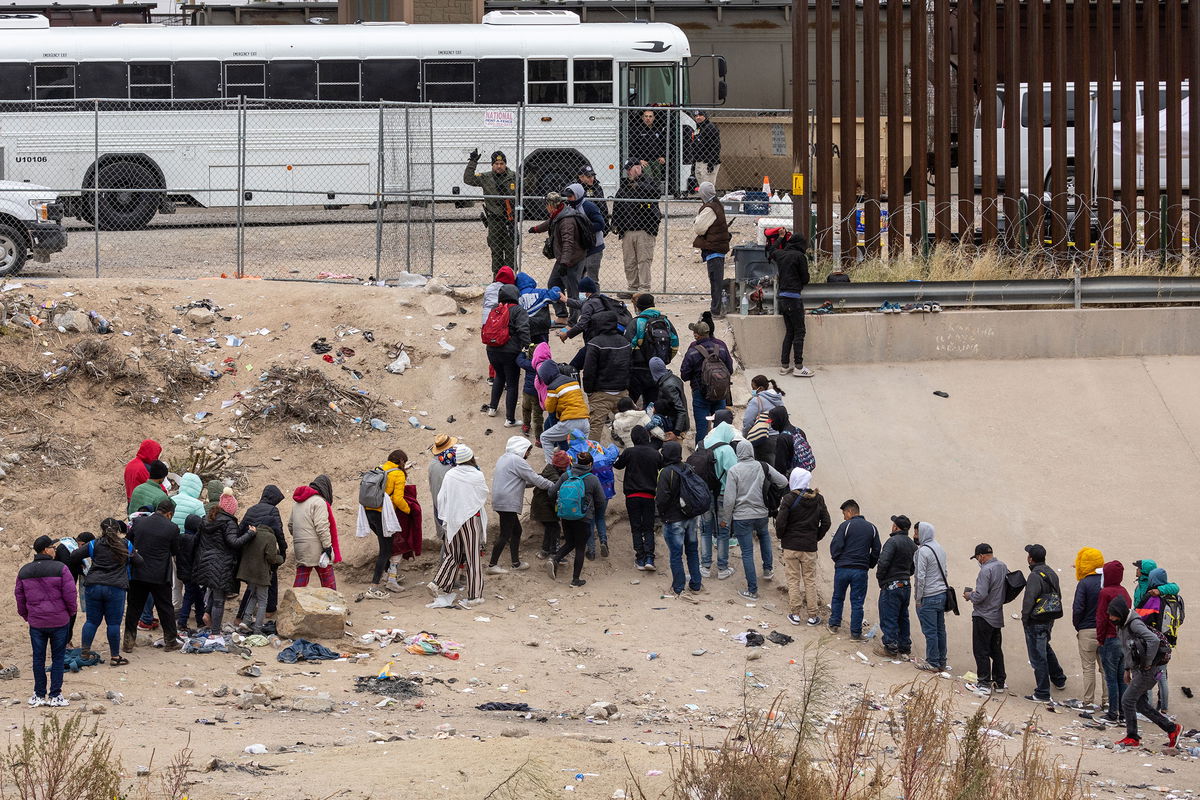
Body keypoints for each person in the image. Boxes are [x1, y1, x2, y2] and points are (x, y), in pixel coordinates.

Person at [1109, 595, 1182, 749]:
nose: (1111, 618)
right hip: (1137, 669)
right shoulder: (1121, 625)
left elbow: (1153, 640)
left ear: (1121, 613)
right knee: (1140, 704)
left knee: (1127, 700)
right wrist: (1127, 670)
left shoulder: (1134, 624)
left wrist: (1147, 663)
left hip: (1147, 670)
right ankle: (1172, 729)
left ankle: (1132, 736)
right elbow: (1127, 649)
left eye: (1113, 614)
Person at [718, 440, 787, 600]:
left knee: (747, 552)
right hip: (762, 514)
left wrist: (725, 520)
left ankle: (752, 590)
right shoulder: (762, 466)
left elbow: (729, 500)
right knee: (764, 537)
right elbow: (783, 481)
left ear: (738, 453)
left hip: (742, 517)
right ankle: (768, 570)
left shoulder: (734, 471)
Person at [15, 535, 78, 707]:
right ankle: (56, 695)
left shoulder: (24, 571)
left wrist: (27, 616)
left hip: (36, 623)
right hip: (59, 621)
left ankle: (38, 694)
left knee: (38, 658)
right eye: (53, 547)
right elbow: (70, 595)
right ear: (45, 550)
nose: (55, 549)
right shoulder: (61, 569)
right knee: (58, 658)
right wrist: (70, 613)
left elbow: (20, 598)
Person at [429, 445, 490, 608]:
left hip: (453, 518)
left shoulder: (450, 474)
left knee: (452, 554)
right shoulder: (477, 474)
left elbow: (442, 497)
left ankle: (438, 583)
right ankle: (475, 595)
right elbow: (483, 494)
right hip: (471, 519)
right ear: (471, 457)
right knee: (473, 557)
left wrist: (446, 517)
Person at [75, 519, 140, 667]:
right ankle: (115, 656)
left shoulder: (93, 544)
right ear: (118, 530)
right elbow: (140, 562)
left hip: (93, 585)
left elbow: (74, 556)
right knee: (113, 623)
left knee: (91, 621)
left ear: (101, 529)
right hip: (116, 587)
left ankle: (85, 652)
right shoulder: (126, 545)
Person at [489, 436, 554, 574]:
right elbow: (535, 479)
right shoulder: (517, 461)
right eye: (527, 451)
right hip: (508, 502)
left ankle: (515, 563)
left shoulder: (505, 458)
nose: (528, 454)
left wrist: (540, 482)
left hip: (501, 501)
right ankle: (492, 565)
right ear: (521, 449)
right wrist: (554, 486)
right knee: (505, 534)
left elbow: (522, 482)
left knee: (516, 531)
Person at [774, 467, 830, 626]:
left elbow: (780, 522)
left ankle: (795, 613)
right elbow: (826, 522)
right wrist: (815, 537)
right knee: (810, 580)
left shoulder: (788, 498)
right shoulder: (818, 499)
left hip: (791, 546)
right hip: (809, 547)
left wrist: (782, 536)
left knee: (793, 579)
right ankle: (812, 615)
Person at [124, 498, 181, 652]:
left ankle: (128, 642)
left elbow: (127, 542)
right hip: (159, 575)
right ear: (169, 514)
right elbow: (175, 551)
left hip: (138, 573)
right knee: (165, 608)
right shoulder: (172, 528)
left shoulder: (139, 522)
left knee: (134, 608)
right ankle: (170, 641)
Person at [547, 451, 607, 588]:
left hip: (566, 516)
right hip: (584, 518)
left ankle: (554, 559)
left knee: (570, 542)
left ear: (576, 462)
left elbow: (551, 492)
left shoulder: (566, 475)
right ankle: (575, 580)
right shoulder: (593, 479)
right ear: (590, 464)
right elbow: (601, 500)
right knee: (580, 547)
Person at [194, 490, 250, 634]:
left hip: (205, 562)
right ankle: (215, 632)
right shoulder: (229, 522)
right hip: (221, 564)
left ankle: (207, 614)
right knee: (219, 599)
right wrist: (250, 534)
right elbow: (234, 542)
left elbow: (197, 541)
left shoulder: (206, 519)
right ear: (231, 509)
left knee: (213, 589)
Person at [655, 441, 704, 602]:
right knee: (692, 551)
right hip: (690, 517)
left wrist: (662, 515)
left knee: (676, 555)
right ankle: (696, 584)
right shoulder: (687, 468)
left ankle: (678, 587)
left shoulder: (666, 472)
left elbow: (662, 498)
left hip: (673, 519)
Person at [828, 500, 881, 640]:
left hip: (843, 569)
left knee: (838, 597)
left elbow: (835, 546)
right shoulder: (872, 528)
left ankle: (834, 625)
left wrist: (838, 560)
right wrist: (869, 564)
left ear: (850, 512)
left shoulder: (845, 526)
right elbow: (876, 550)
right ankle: (856, 633)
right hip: (860, 571)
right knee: (857, 602)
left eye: (844, 513)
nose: (844, 516)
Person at [531, 192, 589, 320]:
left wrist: (564, 263)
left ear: (551, 205)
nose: (546, 207)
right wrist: (535, 229)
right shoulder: (559, 213)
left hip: (573, 259)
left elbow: (569, 244)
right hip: (564, 258)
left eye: (546, 205)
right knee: (554, 283)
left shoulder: (566, 220)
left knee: (572, 290)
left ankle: (574, 321)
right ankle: (562, 316)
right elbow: (550, 222)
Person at [1021, 543, 1067, 703]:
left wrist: (1025, 619)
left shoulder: (1034, 576)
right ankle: (1059, 678)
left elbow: (1029, 600)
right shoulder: (1052, 573)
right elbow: (1058, 596)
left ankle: (1042, 692)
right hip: (1049, 618)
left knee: (1037, 655)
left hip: (1036, 621)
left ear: (1030, 558)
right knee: (1045, 647)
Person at [765, 227, 814, 377]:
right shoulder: (800, 257)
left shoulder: (781, 254)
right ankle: (798, 366)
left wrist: (780, 237)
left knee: (790, 332)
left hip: (782, 298)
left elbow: (770, 251)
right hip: (794, 298)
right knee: (799, 331)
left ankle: (784, 365)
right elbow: (805, 279)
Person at [235, 485, 287, 624]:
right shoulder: (273, 510)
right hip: (266, 551)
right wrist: (283, 550)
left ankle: (240, 617)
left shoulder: (251, 509)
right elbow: (278, 531)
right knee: (269, 578)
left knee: (252, 585)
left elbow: (240, 530)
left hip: (250, 553)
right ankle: (269, 611)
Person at [613, 425, 662, 571]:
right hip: (649, 495)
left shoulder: (629, 452)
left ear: (633, 438)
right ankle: (649, 558)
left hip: (632, 495)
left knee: (636, 527)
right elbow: (662, 468)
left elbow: (618, 465)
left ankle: (639, 558)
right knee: (648, 527)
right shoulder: (655, 454)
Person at [362, 451, 411, 597]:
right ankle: (374, 588)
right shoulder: (398, 474)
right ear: (401, 461)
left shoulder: (380, 469)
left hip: (368, 512)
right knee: (386, 550)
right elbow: (397, 499)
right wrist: (409, 510)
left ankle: (389, 575)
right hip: (381, 514)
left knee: (386, 545)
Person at [484, 283, 531, 427]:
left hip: (491, 349)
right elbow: (523, 330)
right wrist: (528, 347)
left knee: (499, 376)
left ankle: (492, 408)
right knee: (512, 384)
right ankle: (510, 419)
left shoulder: (495, 309)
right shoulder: (518, 310)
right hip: (510, 352)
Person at [679, 319, 733, 442]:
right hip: (720, 393)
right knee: (721, 428)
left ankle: (702, 455)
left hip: (700, 394)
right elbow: (730, 369)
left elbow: (684, 375)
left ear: (696, 335)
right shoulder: (721, 348)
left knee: (702, 430)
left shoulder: (693, 351)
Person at [963, 543, 1008, 695]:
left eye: (977, 557)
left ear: (981, 556)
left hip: (983, 616)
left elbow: (980, 595)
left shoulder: (985, 570)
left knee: (981, 650)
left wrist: (969, 596)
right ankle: (999, 682)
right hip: (997, 615)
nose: (978, 560)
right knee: (996, 650)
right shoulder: (1002, 566)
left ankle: (983, 684)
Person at [581, 310, 632, 441]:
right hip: (622, 392)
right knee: (628, 428)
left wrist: (589, 391)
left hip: (600, 394)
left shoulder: (594, 343)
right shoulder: (625, 342)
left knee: (595, 430)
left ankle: (591, 459)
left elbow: (589, 371)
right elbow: (628, 367)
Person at [612, 160, 661, 294]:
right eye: (627, 169)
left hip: (644, 230)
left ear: (638, 168)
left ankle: (644, 289)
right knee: (629, 262)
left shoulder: (649, 182)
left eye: (630, 169)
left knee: (644, 260)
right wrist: (615, 223)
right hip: (627, 230)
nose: (628, 172)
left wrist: (639, 185)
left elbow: (656, 194)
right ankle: (633, 288)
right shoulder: (625, 186)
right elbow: (617, 205)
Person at [696, 421, 738, 579]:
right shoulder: (727, 449)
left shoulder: (701, 444)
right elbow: (735, 473)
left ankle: (705, 566)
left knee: (705, 530)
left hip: (703, 495)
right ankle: (722, 568)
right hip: (722, 495)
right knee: (723, 531)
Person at [464, 149, 517, 272]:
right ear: (492, 165)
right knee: (496, 252)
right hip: (494, 221)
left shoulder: (513, 176)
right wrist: (472, 162)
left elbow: (527, 186)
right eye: (496, 164)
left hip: (510, 221)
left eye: (502, 163)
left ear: (505, 164)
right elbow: (468, 179)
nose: (499, 166)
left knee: (510, 252)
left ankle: (511, 281)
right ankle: (497, 281)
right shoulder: (485, 177)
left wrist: (532, 174)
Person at [874, 515, 917, 659]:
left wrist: (881, 578)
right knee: (903, 616)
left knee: (889, 616)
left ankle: (891, 647)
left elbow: (883, 562)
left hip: (891, 584)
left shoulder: (892, 542)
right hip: (906, 584)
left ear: (895, 527)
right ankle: (905, 647)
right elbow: (913, 568)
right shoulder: (912, 544)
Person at [1136, 567, 1177, 714]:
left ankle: (1147, 708)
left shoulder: (1153, 597)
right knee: (1162, 675)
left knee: (1147, 674)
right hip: (1169, 640)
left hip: (1153, 641)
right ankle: (1164, 707)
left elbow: (1141, 617)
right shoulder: (1175, 597)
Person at [1095, 560, 1131, 725]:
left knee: (1111, 678)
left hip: (1110, 638)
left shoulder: (1105, 593)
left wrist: (1100, 639)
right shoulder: (1124, 592)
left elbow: (1101, 617)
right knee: (1122, 678)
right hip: (1123, 639)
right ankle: (1124, 714)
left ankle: (1112, 714)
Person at [912, 521, 950, 673]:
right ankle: (942, 662)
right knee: (940, 630)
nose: (914, 536)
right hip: (942, 595)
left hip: (929, 595)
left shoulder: (923, 551)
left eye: (916, 533)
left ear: (922, 533)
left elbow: (920, 577)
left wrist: (918, 598)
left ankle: (932, 662)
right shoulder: (939, 548)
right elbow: (945, 572)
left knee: (930, 631)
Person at [626, 293, 678, 405]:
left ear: (638, 307)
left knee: (631, 404)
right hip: (657, 371)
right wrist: (664, 360)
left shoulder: (636, 322)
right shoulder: (666, 322)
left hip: (637, 369)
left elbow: (627, 345)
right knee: (653, 404)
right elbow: (675, 345)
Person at [1072, 546, 1106, 711]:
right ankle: (1108, 701)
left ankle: (1088, 702)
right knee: (1106, 669)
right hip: (1106, 631)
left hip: (1087, 629)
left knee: (1088, 668)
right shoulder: (1107, 582)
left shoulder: (1084, 583)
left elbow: (1078, 608)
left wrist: (1079, 626)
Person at [235, 518, 283, 635]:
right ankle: (258, 628)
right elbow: (271, 558)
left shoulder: (253, 532)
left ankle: (246, 621)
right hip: (261, 574)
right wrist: (280, 559)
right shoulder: (270, 537)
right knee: (262, 601)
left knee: (253, 596)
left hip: (249, 572)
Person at [290, 476, 339, 590]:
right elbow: (322, 527)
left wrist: (302, 537)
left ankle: (293, 602)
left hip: (300, 546)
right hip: (316, 547)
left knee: (301, 580)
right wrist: (327, 546)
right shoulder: (319, 502)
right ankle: (332, 604)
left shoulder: (296, 504)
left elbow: (290, 526)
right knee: (328, 580)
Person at [692, 181, 731, 318]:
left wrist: (696, 221)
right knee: (716, 280)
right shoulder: (716, 204)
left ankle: (716, 310)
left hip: (714, 248)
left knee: (715, 281)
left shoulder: (709, 208)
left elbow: (699, 228)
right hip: (717, 247)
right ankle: (716, 309)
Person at [538, 361, 590, 464]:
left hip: (570, 422)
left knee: (544, 437)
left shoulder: (553, 387)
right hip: (585, 421)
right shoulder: (573, 381)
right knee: (580, 452)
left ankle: (552, 466)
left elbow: (550, 408)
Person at [559, 277, 631, 344]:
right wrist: (566, 300)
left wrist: (567, 334)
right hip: (610, 333)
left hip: (596, 339)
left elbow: (582, 324)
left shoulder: (589, 304)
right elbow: (582, 304)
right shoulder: (601, 299)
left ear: (586, 292)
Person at [53, 532, 94, 646]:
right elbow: (69, 567)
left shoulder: (71, 548)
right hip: (61, 588)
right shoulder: (65, 548)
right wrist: (80, 567)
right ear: (82, 544)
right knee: (69, 614)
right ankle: (63, 642)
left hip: (66, 587)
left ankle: (66, 640)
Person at [565, 183, 607, 286]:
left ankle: (595, 300)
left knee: (591, 279)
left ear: (578, 195)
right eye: (567, 196)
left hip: (594, 248)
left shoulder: (588, 206)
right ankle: (580, 301)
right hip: (580, 249)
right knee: (577, 277)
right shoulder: (570, 207)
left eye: (570, 196)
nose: (568, 198)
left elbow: (600, 224)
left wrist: (583, 228)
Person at [531, 450, 571, 559]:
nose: (566, 469)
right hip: (545, 507)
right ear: (560, 467)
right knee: (555, 528)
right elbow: (555, 495)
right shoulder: (555, 478)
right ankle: (555, 554)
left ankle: (544, 551)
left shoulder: (549, 469)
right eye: (565, 467)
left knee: (550, 528)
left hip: (540, 505)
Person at [427, 434, 459, 548]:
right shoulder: (450, 466)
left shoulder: (432, 464)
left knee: (447, 539)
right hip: (449, 509)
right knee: (451, 543)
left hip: (438, 506)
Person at [176, 514, 205, 635]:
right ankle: (182, 622)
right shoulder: (194, 540)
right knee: (189, 596)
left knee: (198, 596)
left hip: (183, 572)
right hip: (192, 573)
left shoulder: (181, 537)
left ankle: (200, 619)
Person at [516, 271, 562, 346]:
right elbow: (555, 296)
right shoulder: (541, 292)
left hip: (525, 327)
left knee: (527, 349)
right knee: (542, 348)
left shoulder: (517, 297)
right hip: (541, 326)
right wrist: (556, 288)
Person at [648, 357, 689, 441]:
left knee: (672, 451)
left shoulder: (668, 386)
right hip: (677, 423)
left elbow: (681, 409)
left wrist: (676, 432)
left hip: (675, 427)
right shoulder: (672, 378)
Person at [630, 109, 667, 184]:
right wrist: (639, 160)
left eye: (650, 116)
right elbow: (632, 148)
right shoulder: (637, 130)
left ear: (654, 118)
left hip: (656, 160)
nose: (648, 118)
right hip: (644, 160)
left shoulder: (658, 130)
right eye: (646, 116)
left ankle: (656, 193)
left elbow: (663, 144)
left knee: (657, 180)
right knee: (648, 179)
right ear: (642, 118)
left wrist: (662, 156)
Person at [687, 110, 722, 188]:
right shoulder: (698, 128)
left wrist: (711, 161)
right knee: (702, 186)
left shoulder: (710, 127)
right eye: (696, 116)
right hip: (699, 160)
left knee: (708, 186)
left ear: (705, 116)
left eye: (700, 115)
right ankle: (705, 199)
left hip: (707, 161)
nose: (698, 117)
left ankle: (710, 200)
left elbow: (715, 145)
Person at [516, 345, 544, 439]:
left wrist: (522, 353)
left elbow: (519, 360)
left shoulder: (529, 363)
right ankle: (538, 436)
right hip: (539, 394)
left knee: (526, 408)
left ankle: (526, 425)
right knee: (538, 416)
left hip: (527, 391)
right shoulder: (545, 364)